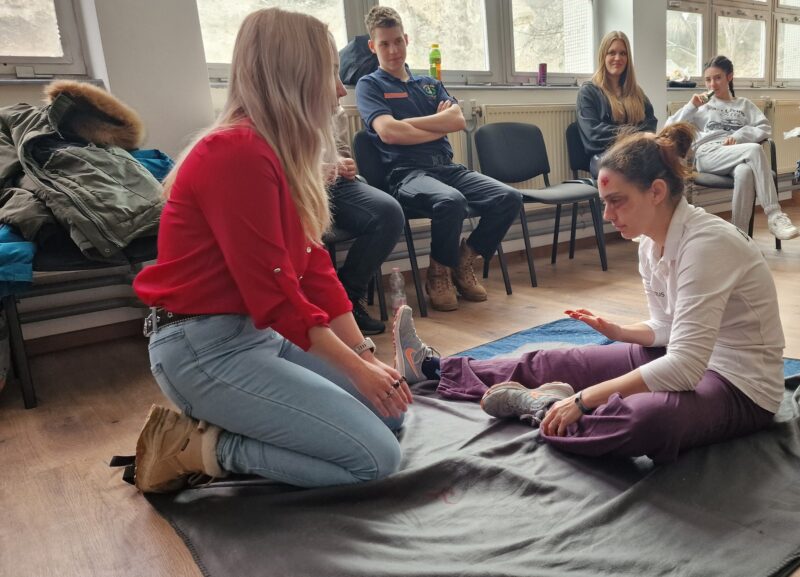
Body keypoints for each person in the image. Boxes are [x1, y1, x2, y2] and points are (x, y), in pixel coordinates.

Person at [128, 8, 412, 493]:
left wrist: (363, 355)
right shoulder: (234, 153)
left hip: (258, 334)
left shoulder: (273, 151)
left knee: (389, 417)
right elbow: (277, 296)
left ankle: (250, 418)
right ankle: (200, 448)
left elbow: (313, 268)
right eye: (330, 74)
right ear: (293, 76)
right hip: (204, 350)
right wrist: (357, 370)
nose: (340, 90)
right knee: (375, 459)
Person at [391, 122, 784, 463]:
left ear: (657, 191)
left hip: (740, 387)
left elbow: (684, 368)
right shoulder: (649, 242)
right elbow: (667, 327)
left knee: (644, 419)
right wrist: (621, 332)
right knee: (556, 360)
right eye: (604, 203)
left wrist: (583, 399)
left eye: (617, 202)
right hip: (688, 357)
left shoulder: (707, 246)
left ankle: (543, 407)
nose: (607, 215)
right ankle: (433, 369)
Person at [355, 6, 522, 312]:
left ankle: (462, 260)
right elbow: (389, 133)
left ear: (406, 39)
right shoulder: (370, 85)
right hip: (407, 175)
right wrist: (435, 124)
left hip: (446, 167)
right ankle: (438, 274)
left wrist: (409, 126)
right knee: (451, 201)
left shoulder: (429, 84)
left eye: (398, 41)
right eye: (384, 44)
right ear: (372, 46)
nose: (393, 50)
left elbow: (457, 120)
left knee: (509, 198)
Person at [665, 56, 799, 241]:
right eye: (708, 79)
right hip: (709, 154)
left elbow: (765, 127)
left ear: (729, 77)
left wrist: (739, 136)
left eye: (717, 78)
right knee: (754, 150)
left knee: (745, 172)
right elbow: (669, 128)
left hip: (737, 154)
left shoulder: (744, 104)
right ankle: (775, 215)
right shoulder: (701, 107)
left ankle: (739, 236)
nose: (712, 84)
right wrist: (691, 106)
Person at [327, 111, 404, 334]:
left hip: (335, 182)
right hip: (296, 182)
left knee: (388, 213)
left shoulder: (335, 109)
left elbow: (340, 149)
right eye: (337, 91)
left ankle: (347, 298)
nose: (342, 93)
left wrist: (344, 162)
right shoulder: (277, 104)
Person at [577, 31, 658, 176]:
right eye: (612, 53)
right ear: (603, 56)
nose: (617, 58)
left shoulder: (637, 92)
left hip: (636, 152)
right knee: (634, 169)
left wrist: (639, 136)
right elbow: (593, 133)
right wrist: (637, 135)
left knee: (665, 160)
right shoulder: (588, 92)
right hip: (604, 157)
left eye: (623, 53)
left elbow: (650, 125)